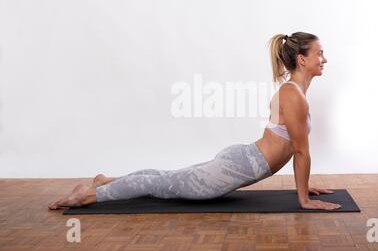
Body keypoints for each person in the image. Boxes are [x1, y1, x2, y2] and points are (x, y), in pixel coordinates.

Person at [48, 32, 341, 211]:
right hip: (237, 167)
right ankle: (87, 196)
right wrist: (303, 199)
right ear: (302, 60)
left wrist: (305, 187)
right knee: (162, 185)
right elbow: (300, 150)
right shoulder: (294, 96)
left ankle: (106, 180)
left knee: (165, 178)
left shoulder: (296, 92)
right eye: (319, 53)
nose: (324, 59)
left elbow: (294, 148)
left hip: (242, 160)